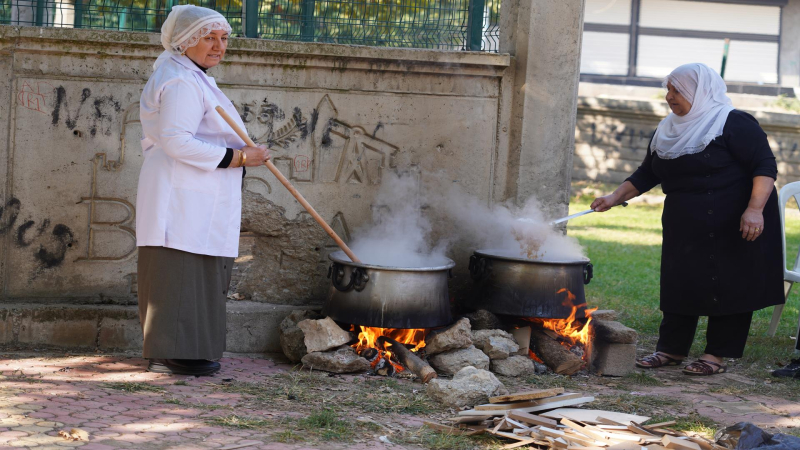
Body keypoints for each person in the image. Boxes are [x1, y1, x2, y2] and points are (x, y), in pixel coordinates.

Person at [591, 63, 784, 376]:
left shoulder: (734, 122)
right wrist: (613, 198)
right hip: (685, 222)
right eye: (668, 89)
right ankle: (670, 349)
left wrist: (754, 209)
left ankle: (716, 355)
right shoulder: (667, 130)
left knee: (728, 281)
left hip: (735, 220)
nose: (669, 96)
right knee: (680, 280)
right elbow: (647, 174)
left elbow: (764, 167)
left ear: (700, 91)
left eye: (676, 90)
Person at [135, 5, 270, 376]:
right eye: (208, 37)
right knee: (178, 270)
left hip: (191, 191)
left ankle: (188, 349)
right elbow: (177, 141)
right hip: (179, 193)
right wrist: (239, 157)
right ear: (184, 41)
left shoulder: (192, 75)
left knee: (195, 270)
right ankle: (174, 350)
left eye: (223, 38)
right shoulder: (179, 80)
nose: (218, 46)